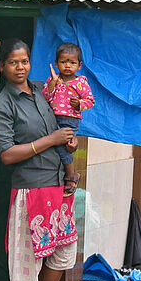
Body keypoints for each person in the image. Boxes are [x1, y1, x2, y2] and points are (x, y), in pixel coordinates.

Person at [0, 39, 79, 281]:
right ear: (2, 67)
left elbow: (67, 117)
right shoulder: (1, 105)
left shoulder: (43, 90)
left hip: (57, 184)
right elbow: (6, 154)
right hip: (30, 189)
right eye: (13, 62)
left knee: (64, 251)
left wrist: (67, 141)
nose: (20, 67)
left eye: (24, 61)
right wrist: (50, 140)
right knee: (29, 258)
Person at [42, 43, 95, 196]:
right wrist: (52, 83)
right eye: (64, 62)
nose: (67, 66)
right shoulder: (54, 79)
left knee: (62, 146)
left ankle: (71, 175)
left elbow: (90, 101)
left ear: (79, 66)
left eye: (72, 63)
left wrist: (79, 104)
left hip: (70, 121)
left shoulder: (81, 82)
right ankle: (63, 174)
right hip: (52, 118)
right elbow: (46, 97)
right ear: (57, 63)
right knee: (52, 145)